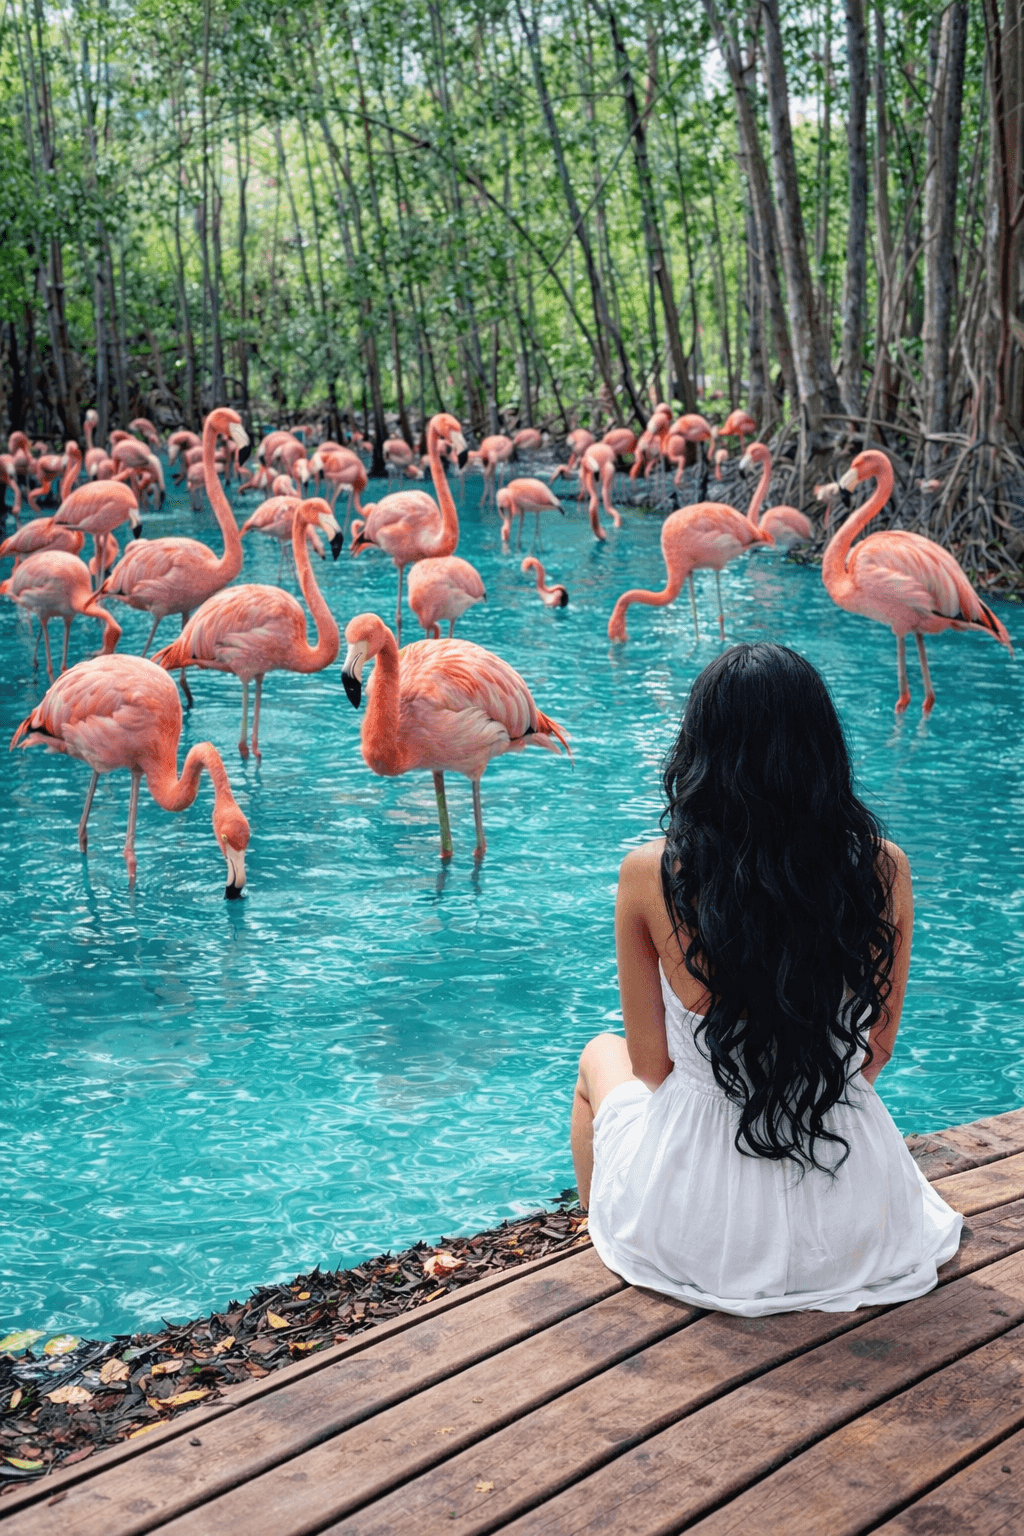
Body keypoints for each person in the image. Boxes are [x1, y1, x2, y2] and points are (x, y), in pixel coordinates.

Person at [572, 643, 962, 1314]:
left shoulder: (650, 873)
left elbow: (650, 1067)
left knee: (597, 1059)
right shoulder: (883, 868)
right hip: (855, 1212)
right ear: (822, 751)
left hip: (702, 1229)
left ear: (699, 751)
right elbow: (877, 1051)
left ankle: (605, 1233)